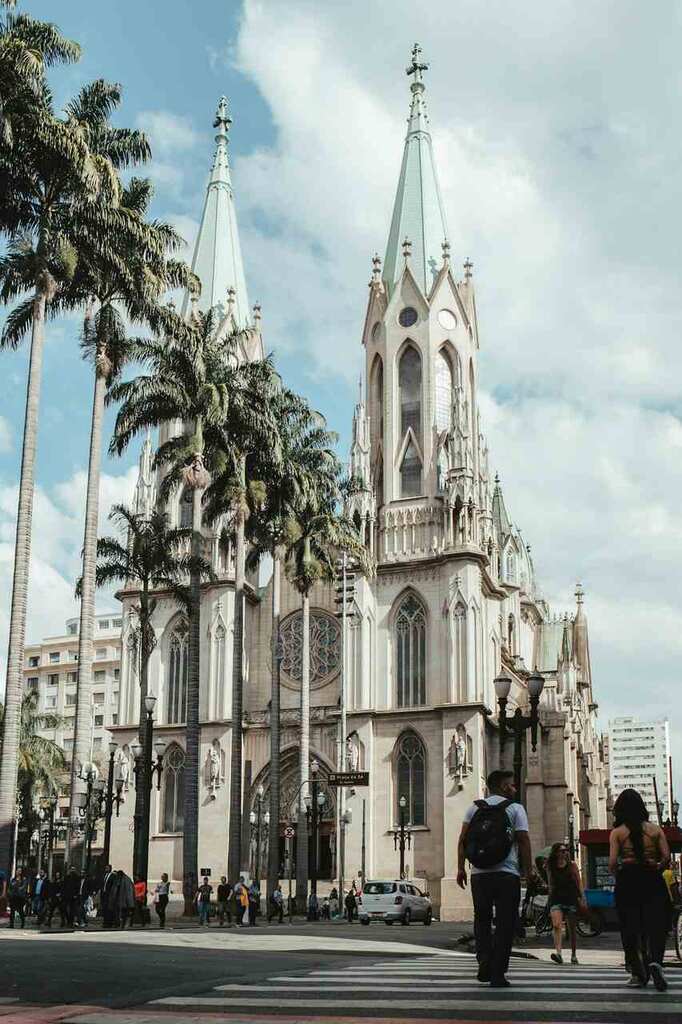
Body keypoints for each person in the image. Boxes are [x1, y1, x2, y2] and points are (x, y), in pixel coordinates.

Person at [457, 769, 533, 989]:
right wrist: (528, 871)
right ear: (502, 786)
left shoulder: (474, 808)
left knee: (481, 918)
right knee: (505, 923)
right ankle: (498, 972)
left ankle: (484, 959)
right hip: (506, 874)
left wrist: (460, 868)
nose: (514, 788)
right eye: (511, 785)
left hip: (479, 874)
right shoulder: (515, 808)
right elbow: (524, 840)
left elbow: (462, 840)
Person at [608, 788, 671, 992]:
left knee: (630, 926)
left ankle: (637, 972)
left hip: (628, 879)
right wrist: (657, 866)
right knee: (656, 923)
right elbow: (667, 858)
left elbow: (611, 863)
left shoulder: (617, 833)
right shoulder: (654, 830)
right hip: (652, 878)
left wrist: (620, 875)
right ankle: (656, 962)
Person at [546, 842, 585, 964]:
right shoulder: (550, 866)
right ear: (556, 853)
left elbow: (579, 882)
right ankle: (558, 953)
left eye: (566, 850)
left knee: (572, 929)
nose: (565, 853)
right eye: (562, 851)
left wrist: (582, 898)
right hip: (556, 898)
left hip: (571, 898)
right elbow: (550, 884)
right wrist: (549, 900)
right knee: (557, 925)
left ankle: (573, 955)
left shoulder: (572, 865)